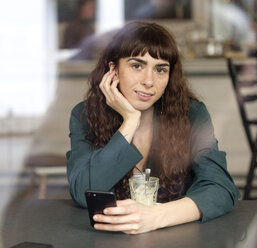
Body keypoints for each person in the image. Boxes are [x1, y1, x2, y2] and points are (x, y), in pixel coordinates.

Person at [66, 21, 240, 234]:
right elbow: (84, 192)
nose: (149, 81)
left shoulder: (191, 114)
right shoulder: (84, 115)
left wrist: (155, 217)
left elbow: (221, 188)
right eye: (137, 66)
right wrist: (130, 121)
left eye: (160, 69)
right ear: (114, 70)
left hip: (178, 239)